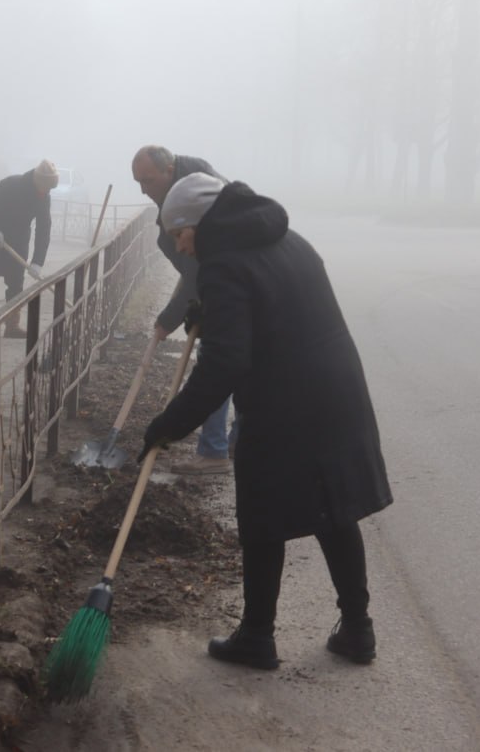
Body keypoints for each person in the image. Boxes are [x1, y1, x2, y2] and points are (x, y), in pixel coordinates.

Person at [142, 172, 392, 669]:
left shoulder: (223, 264)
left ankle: (256, 635)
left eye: (179, 234)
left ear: (198, 223)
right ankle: (358, 630)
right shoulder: (286, 239)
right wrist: (211, 315)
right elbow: (275, 306)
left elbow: (225, 364)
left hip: (286, 402)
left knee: (260, 517)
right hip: (337, 390)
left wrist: (170, 423)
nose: (182, 248)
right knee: (334, 508)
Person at [130, 144, 235, 474]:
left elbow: (195, 272)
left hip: (224, 290)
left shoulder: (197, 196)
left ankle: (215, 451)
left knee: (216, 363)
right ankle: (229, 445)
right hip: (217, 286)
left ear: (169, 170)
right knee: (235, 366)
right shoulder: (177, 193)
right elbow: (190, 267)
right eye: (138, 182)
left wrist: (168, 320)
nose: (143, 189)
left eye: (147, 180)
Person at [0, 159, 57, 337]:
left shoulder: (43, 197)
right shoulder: (12, 184)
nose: (46, 191)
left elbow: (44, 229)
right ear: (38, 181)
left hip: (18, 244)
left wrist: (37, 262)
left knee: (16, 284)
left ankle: (12, 326)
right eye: (45, 187)